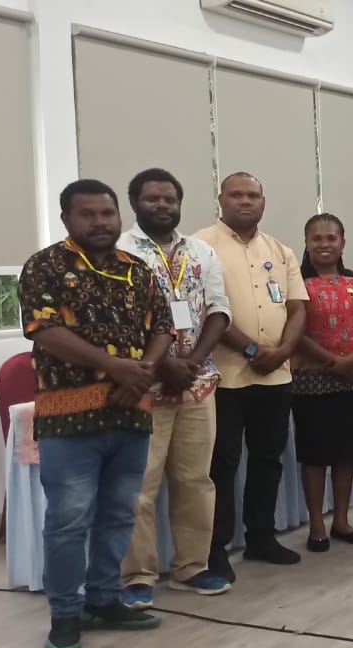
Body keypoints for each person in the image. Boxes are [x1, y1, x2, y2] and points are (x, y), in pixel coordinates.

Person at [19, 179, 174, 648]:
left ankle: (105, 599)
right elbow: (43, 329)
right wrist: (116, 367)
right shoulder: (45, 266)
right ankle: (66, 613)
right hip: (68, 418)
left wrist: (143, 371)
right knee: (68, 520)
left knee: (120, 513)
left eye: (107, 213)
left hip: (130, 412)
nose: (100, 222)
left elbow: (163, 326)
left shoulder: (137, 269)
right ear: (66, 219)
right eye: (87, 214)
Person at [117, 168, 233, 609]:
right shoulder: (120, 252)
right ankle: (137, 576)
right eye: (153, 199)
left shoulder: (201, 251)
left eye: (170, 199)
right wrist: (163, 365)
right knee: (140, 485)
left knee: (195, 480)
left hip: (196, 385)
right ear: (134, 203)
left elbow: (219, 311)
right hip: (144, 386)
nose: (162, 205)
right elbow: (121, 321)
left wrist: (193, 362)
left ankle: (191, 567)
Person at [197, 172, 309, 581]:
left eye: (253, 195)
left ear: (263, 201)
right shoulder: (200, 246)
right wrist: (250, 350)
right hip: (225, 377)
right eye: (237, 195)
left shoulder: (280, 250)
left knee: (267, 459)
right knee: (222, 464)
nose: (245, 201)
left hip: (275, 377)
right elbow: (206, 309)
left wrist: (281, 352)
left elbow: (297, 308)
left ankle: (261, 536)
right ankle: (216, 549)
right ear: (221, 199)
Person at [291, 213, 353, 552]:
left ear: (342, 242)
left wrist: (351, 361)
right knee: (314, 455)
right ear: (307, 242)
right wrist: (333, 362)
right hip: (310, 383)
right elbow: (293, 332)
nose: (324, 244)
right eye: (317, 238)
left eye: (331, 238)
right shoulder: (296, 282)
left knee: (346, 453)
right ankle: (316, 525)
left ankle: (341, 520)